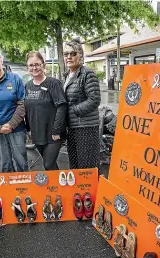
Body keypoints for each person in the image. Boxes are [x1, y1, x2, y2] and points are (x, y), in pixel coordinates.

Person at [24, 52, 67, 170]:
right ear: (27, 67)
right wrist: (28, 129)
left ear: (43, 65)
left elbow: (62, 106)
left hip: (53, 134)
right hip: (37, 133)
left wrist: (56, 130)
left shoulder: (53, 83)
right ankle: (58, 185)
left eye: (37, 64)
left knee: (48, 164)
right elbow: (27, 109)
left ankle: (57, 185)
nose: (34, 68)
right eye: (31, 65)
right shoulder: (27, 86)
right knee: (50, 164)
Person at [63, 38, 101, 169]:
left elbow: (94, 99)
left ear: (80, 56)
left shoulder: (87, 74)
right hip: (72, 127)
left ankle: (90, 190)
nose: (68, 57)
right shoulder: (67, 75)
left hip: (86, 127)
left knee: (87, 166)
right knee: (75, 164)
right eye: (66, 54)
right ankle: (78, 190)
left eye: (72, 54)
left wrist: (73, 110)